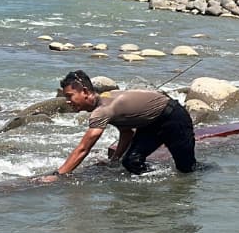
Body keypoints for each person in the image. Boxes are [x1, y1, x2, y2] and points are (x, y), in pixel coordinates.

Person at [47, 70, 196, 177]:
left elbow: (83, 148)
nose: (67, 101)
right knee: (131, 162)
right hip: (151, 124)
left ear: (85, 91)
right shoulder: (105, 103)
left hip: (174, 118)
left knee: (186, 170)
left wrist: (59, 175)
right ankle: (156, 189)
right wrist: (114, 160)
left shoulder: (102, 110)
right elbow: (127, 132)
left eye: (70, 96)